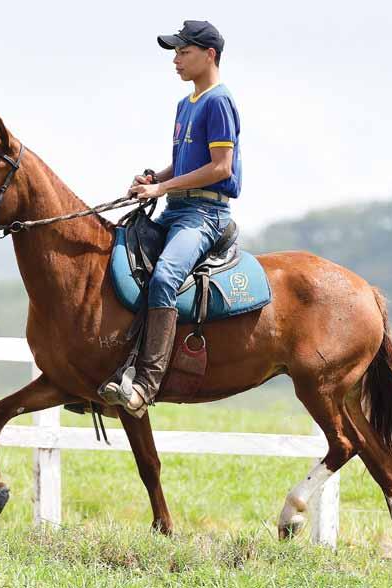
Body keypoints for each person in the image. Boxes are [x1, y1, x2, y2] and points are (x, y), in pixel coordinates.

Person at [102, 20, 243, 418]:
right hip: (176, 208)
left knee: (165, 277)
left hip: (204, 214)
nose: (176, 61)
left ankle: (146, 385)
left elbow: (220, 167)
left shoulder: (219, 101)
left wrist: (161, 190)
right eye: (176, 53)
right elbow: (185, 162)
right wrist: (156, 179)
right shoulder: (186, 105)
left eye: (183, 52)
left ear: (209, 54)